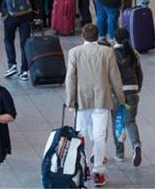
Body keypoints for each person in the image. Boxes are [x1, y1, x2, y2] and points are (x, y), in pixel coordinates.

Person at [65, 24, 125, 187]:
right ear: (98, 36)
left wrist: (70, 101)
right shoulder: (107, 52)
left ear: (82, 37)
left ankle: (81, 168)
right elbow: (115, 77)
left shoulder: (74, 53)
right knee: (99, 136)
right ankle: (98, 172)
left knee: (80, 134)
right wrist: (121, 99)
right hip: (102, 99)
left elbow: (70, 78)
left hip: (81, 100)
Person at [111, 28, 144, 166]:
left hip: (117, 93)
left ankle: (119, 153)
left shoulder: (111, 54)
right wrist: (137, 89)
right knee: (130, 121)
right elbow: (140, 74)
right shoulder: (133, 53)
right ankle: (136, 145)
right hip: (132, 91)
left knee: (117, 121)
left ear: (114, 39)